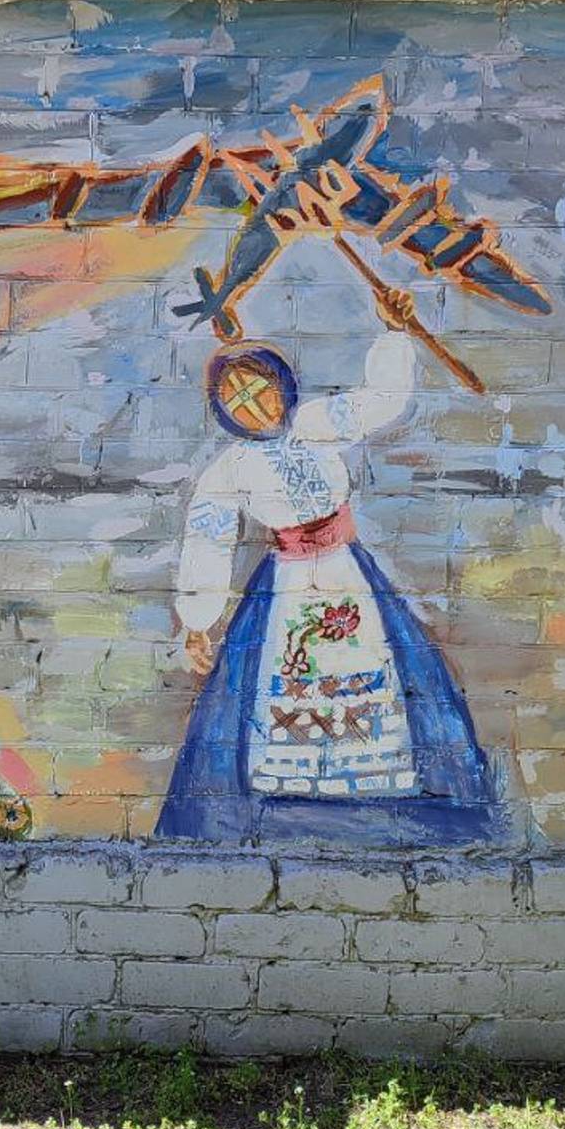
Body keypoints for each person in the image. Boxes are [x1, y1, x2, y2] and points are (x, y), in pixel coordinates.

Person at [156, 320, 497, 846]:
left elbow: (380, 401)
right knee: (277, 681)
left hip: (348, 573)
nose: (252, 404)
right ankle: (287, 791)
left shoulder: (318, 423)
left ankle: (389, 787)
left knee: (383, 671)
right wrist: (199, 621)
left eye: (258, 389)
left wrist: (392, 332)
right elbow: (209, 542)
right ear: (224, 412)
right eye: (237, 398)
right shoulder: (229, 470)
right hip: (286, 586)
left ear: (280, 385)